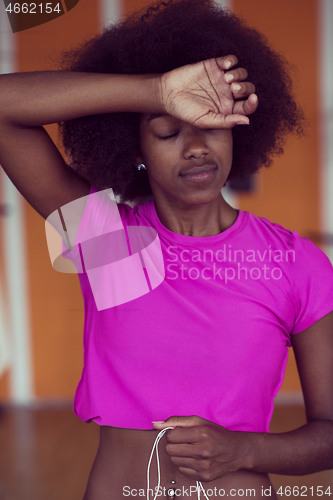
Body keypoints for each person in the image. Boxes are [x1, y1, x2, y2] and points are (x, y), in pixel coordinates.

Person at [0, 0, 333, 499]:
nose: (195, 147)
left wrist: (244, 451)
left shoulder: (294, 263)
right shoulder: (111, 244)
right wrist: (155, 91)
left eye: (210, 125)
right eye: (168, 130)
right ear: (136, 149)